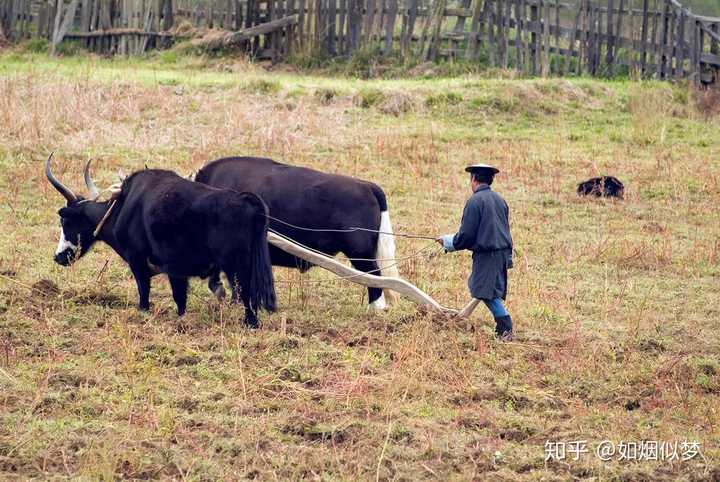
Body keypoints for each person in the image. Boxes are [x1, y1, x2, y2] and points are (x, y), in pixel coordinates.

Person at [438, 164, 514, 340]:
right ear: (491, 180)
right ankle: (504, 329)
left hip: (488, 254)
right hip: (501, 252)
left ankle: (506, 329)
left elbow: (467, 236)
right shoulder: (500, 200)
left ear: (473, 179)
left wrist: (448, 241)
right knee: (488, 290)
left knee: (484, 292)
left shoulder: (475, 201)